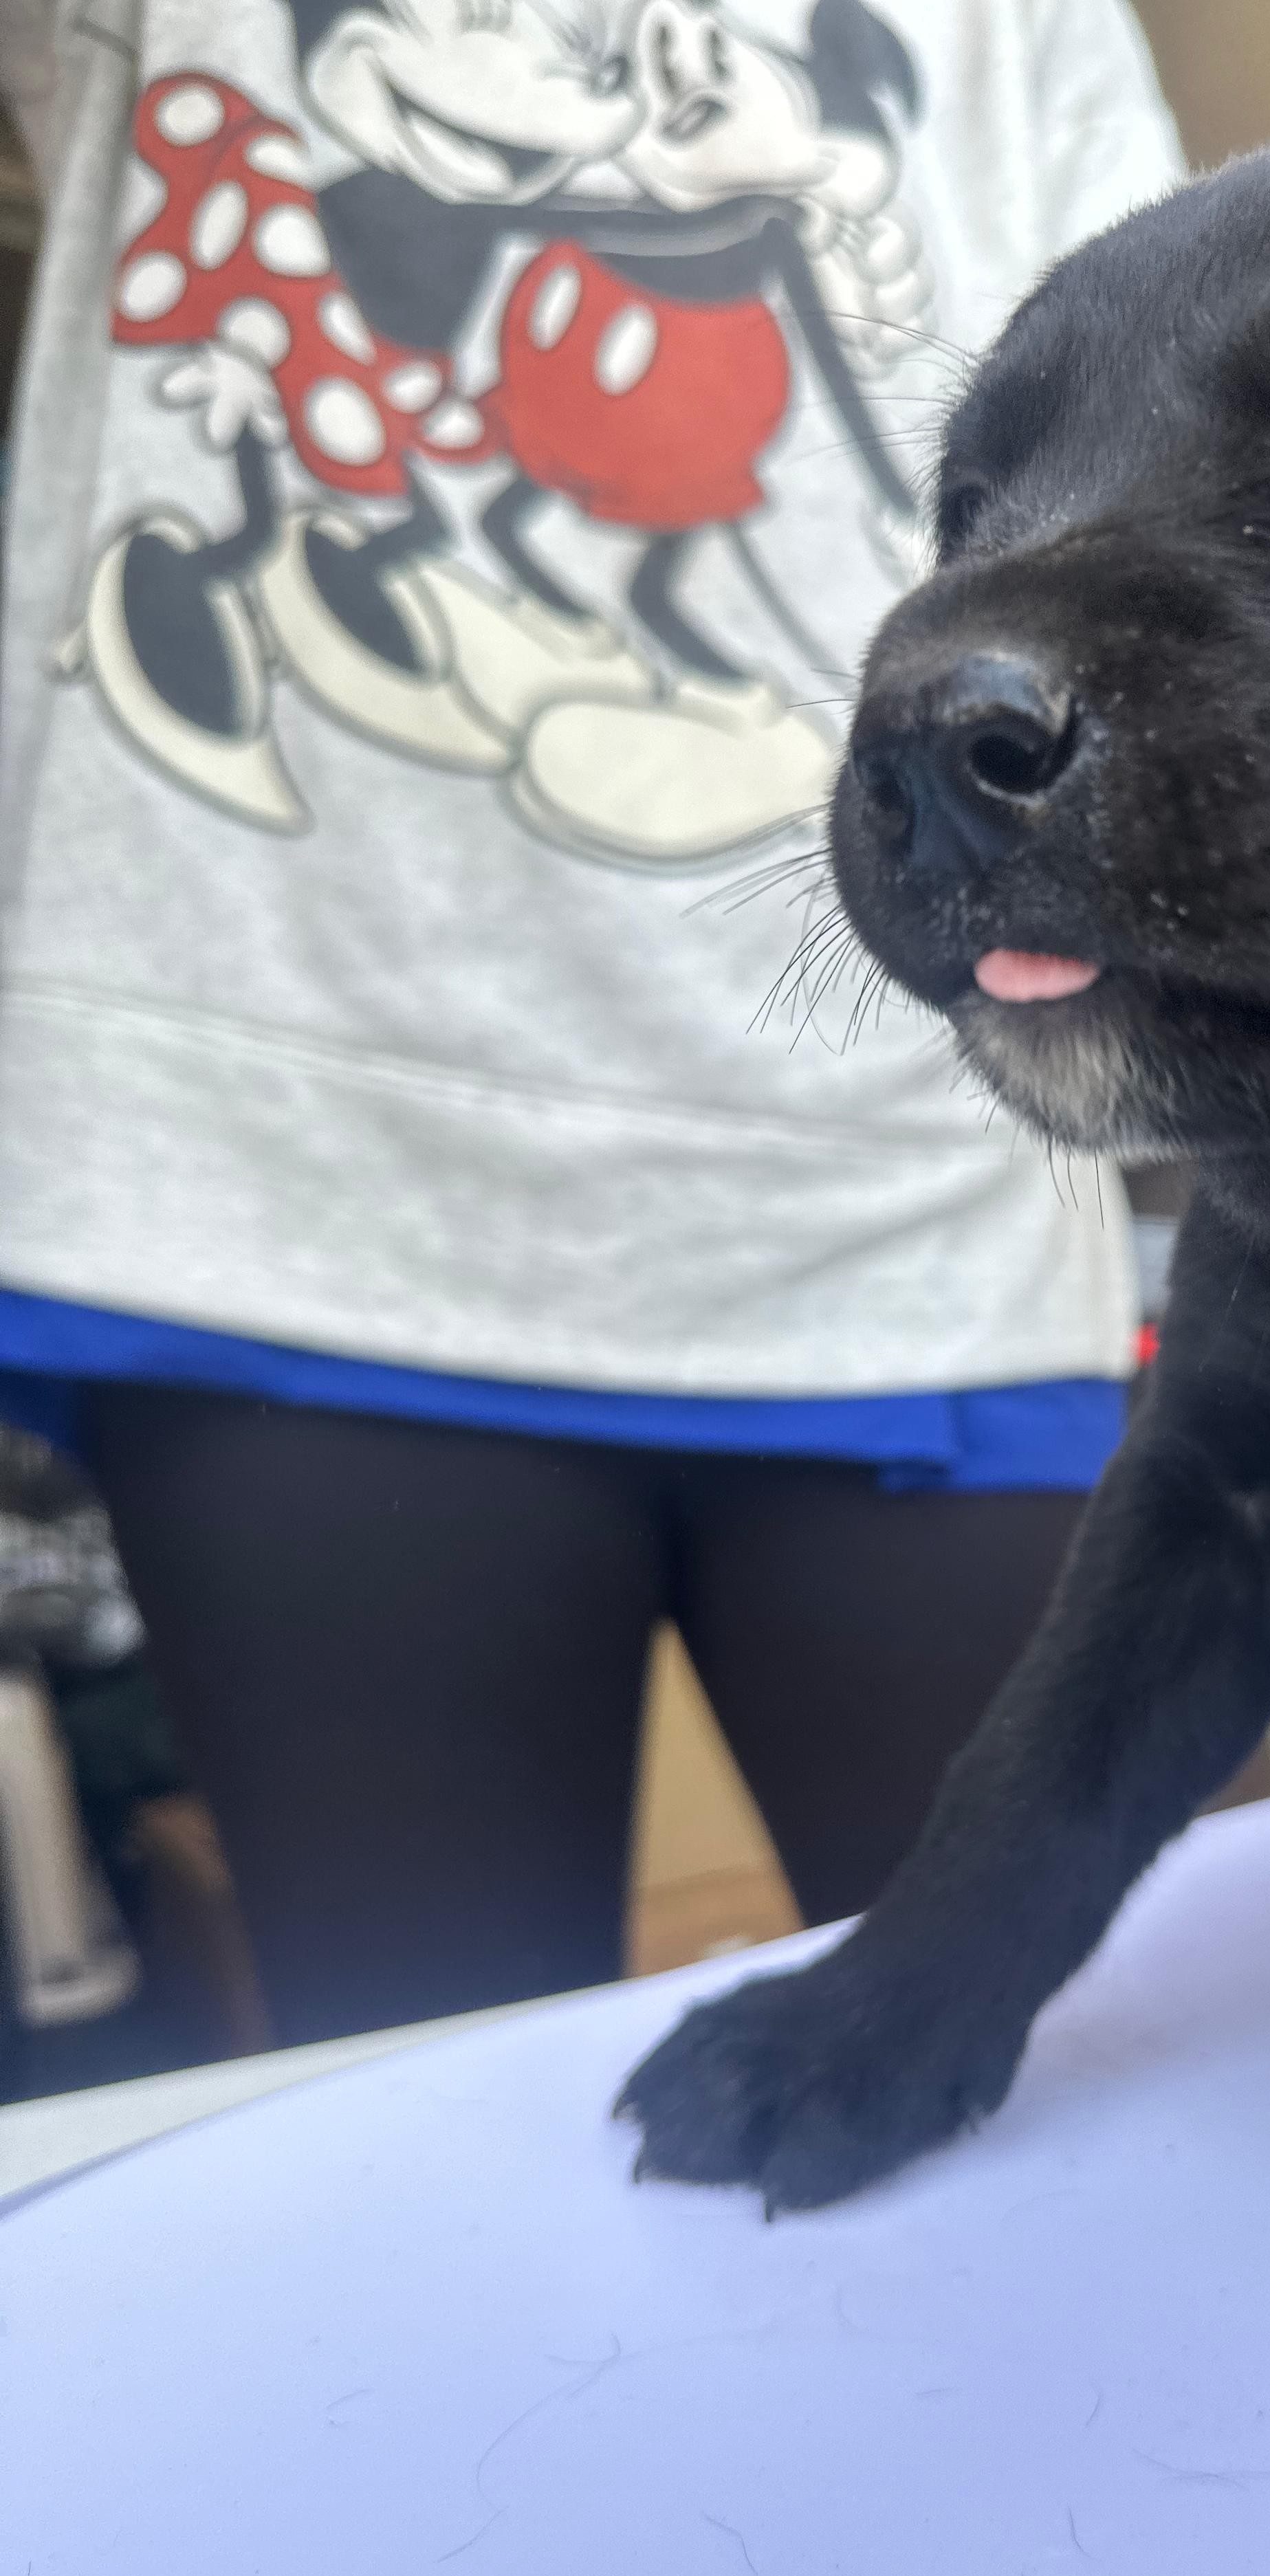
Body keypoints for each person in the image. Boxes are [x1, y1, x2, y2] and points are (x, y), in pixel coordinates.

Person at [0, 0, 1183, 2045]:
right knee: (420, 2107)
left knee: (1079, 2073)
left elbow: (1160, 453)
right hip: (299, 1197)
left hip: (911, 1203)